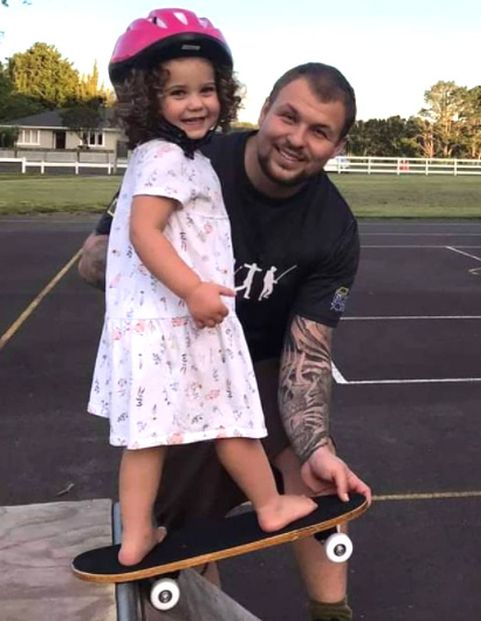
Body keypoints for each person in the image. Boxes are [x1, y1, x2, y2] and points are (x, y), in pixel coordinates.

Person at [80, 52, 372, 621]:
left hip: (254, 360)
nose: (297, 139)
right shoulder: (189, 154)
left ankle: (331, 613)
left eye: (320, 132)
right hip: (176, 348)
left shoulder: (334, 228)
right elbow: (98, 260)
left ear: (337, 147)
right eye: (289, 117)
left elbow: (307, 355)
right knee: (189, 528)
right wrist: (162, 273)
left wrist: (316, 445)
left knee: (318, 483)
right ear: (263, 111)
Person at [90, 7, 317, 567]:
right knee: (232, 417)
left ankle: (138, 535)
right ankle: (269, 504)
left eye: (207, 89)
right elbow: (145, 230)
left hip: (156, 326)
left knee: (148, 437)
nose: (197, 103)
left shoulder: (171, 157)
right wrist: (194, 290)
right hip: (181, 320)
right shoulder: (168, 159)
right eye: (177, 93)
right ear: (148, 100)